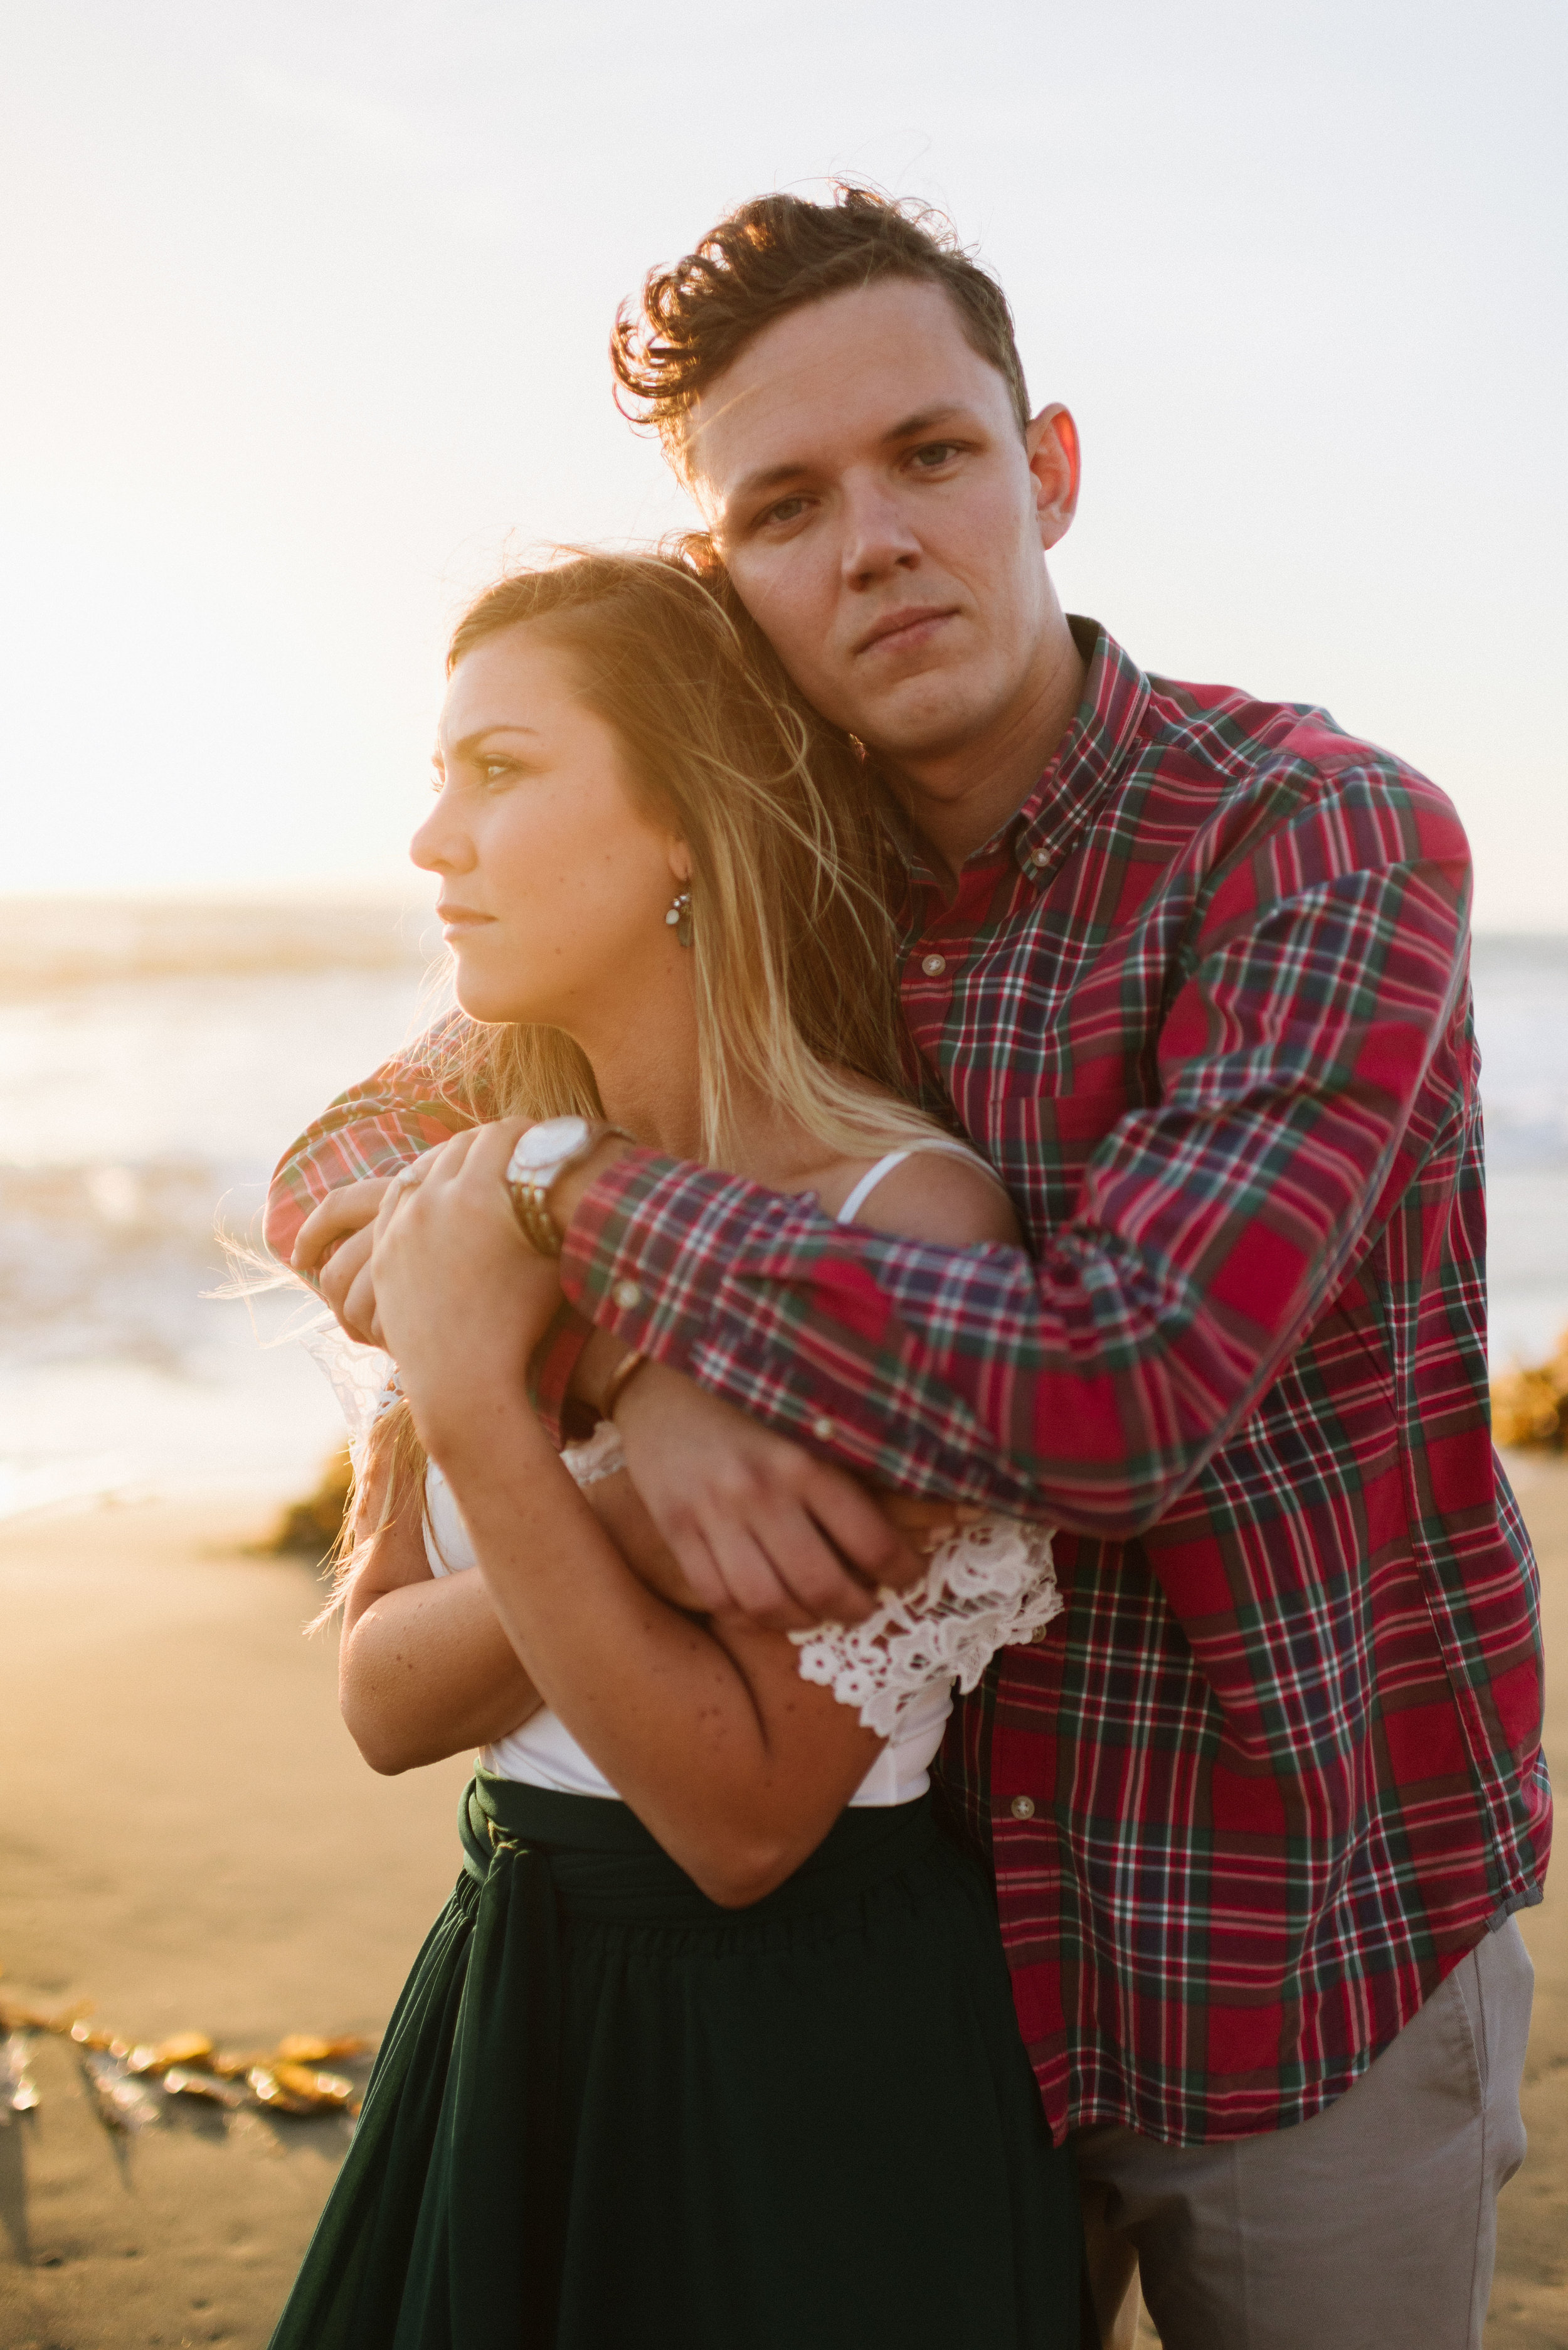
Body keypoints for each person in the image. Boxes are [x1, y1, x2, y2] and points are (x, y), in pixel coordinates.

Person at [268, 191, 1549, 2348]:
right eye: (785, 502)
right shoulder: (763, 869)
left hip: (1288, 1953)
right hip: (917, 1971)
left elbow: (1120, 1393)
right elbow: (346, 1164)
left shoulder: (1312, 838)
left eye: (930, 457)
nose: (870, 540)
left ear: (1044, 467)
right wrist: (623, 1389)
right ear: (723, 577)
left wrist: (584, 1223)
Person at [266, 551, 1083, 2350]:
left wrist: (490, 1413)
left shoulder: (903, 1221)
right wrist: (619, 1491)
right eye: (438, 774)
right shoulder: (487, 1191)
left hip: (789, 2069)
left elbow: (739, 1819)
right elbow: (384, 1699)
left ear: (686, 827)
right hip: (506, 2003)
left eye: (498, 771)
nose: (428, 841)